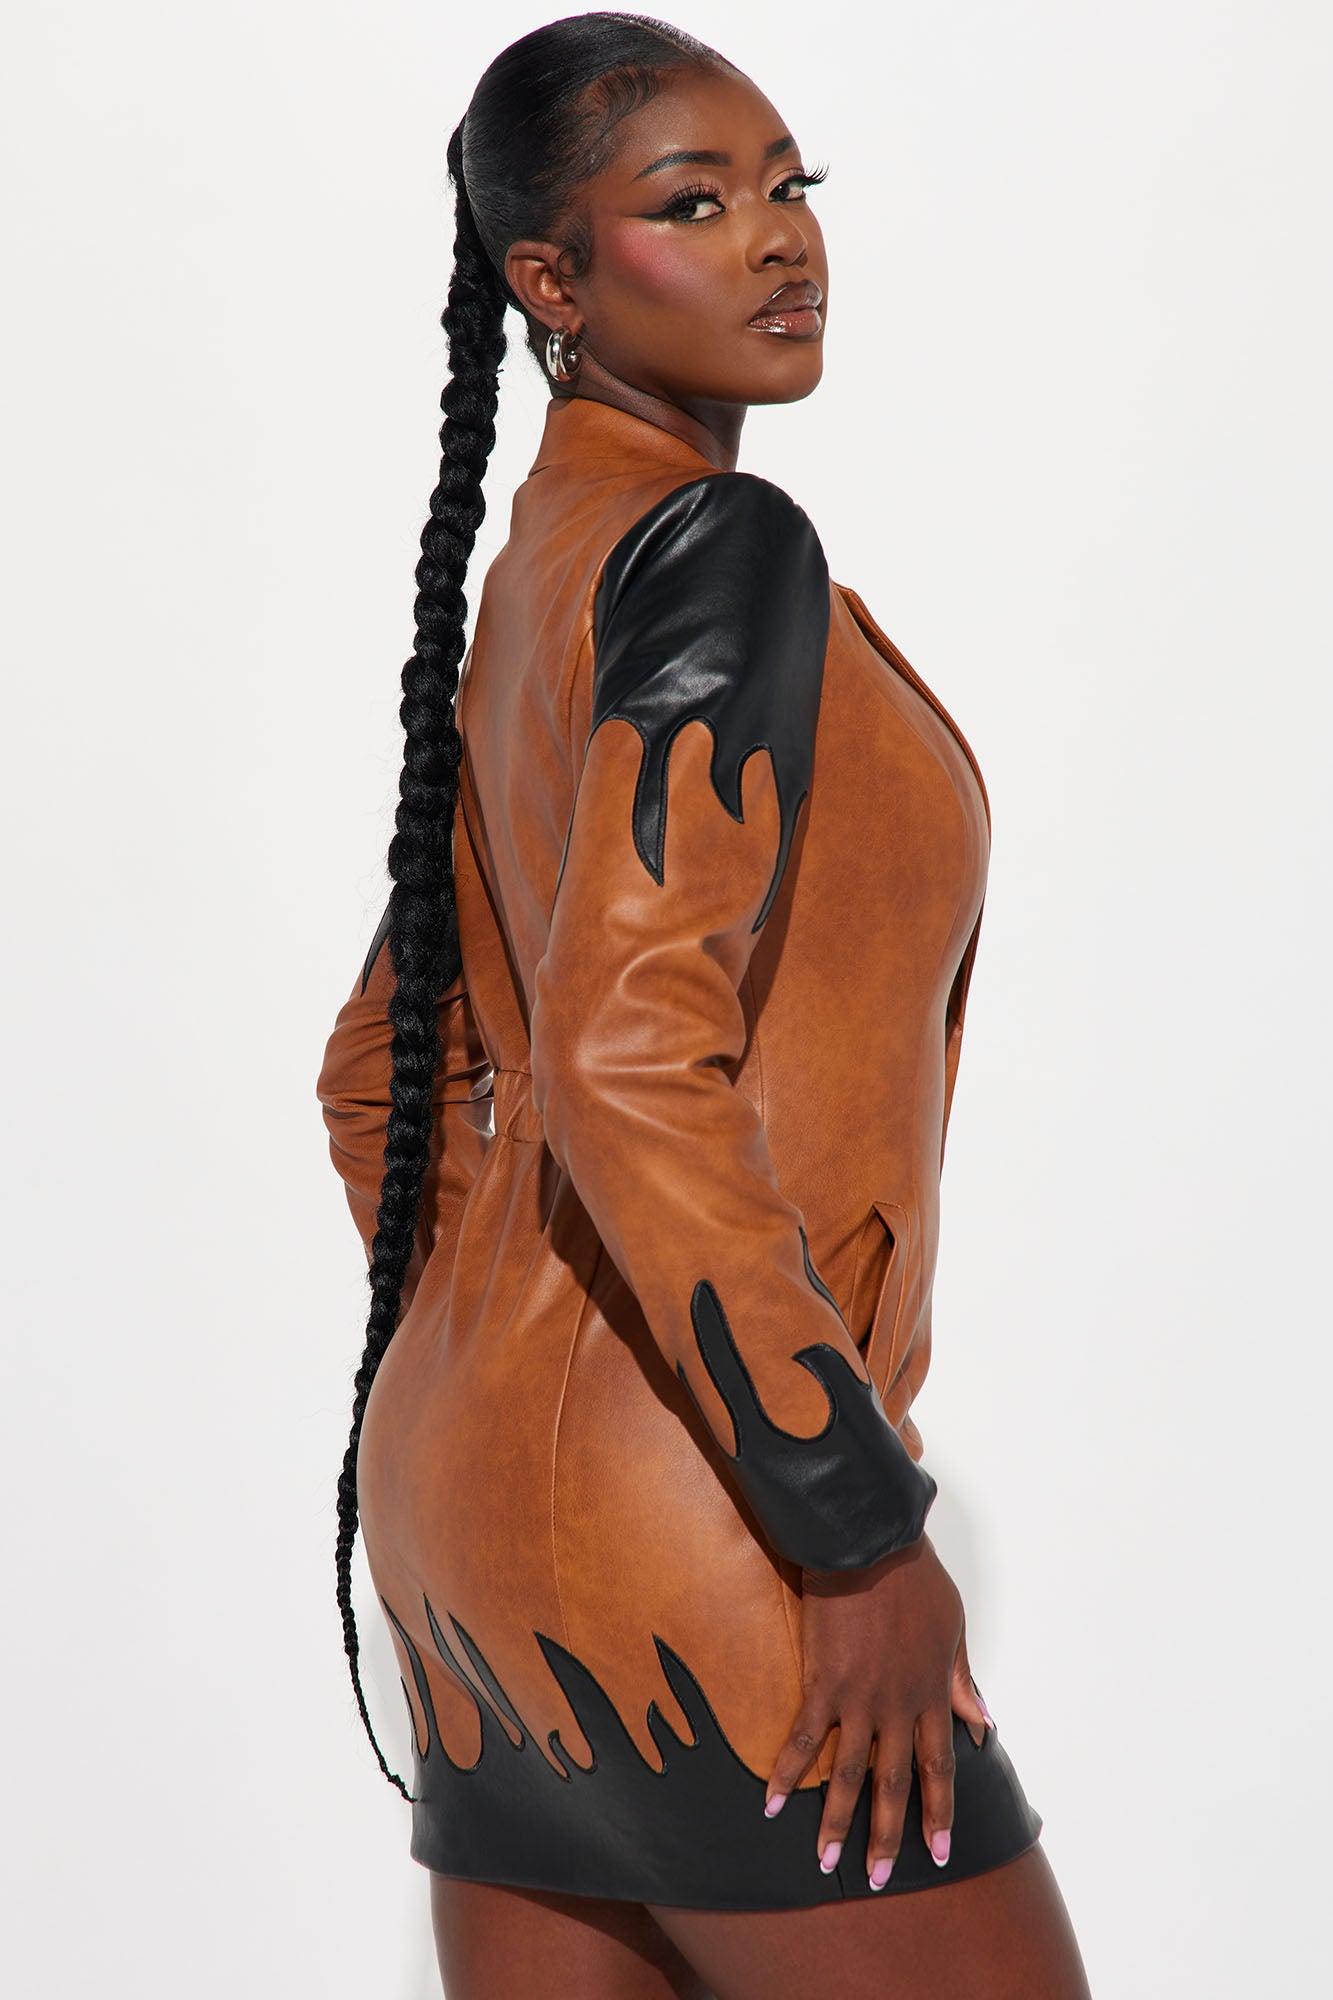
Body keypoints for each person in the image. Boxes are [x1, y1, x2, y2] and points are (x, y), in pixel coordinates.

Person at [315, 14, 1091, 1997]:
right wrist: (852, 1527)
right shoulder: (712, 552)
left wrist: (516, 1348)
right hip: (712, 1542)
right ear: (552, 284)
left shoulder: (532, 581)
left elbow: (380, 1066)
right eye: (691, 203)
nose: (774, 239)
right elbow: (625, 1053)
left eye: (787, 188)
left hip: (469, 1544)